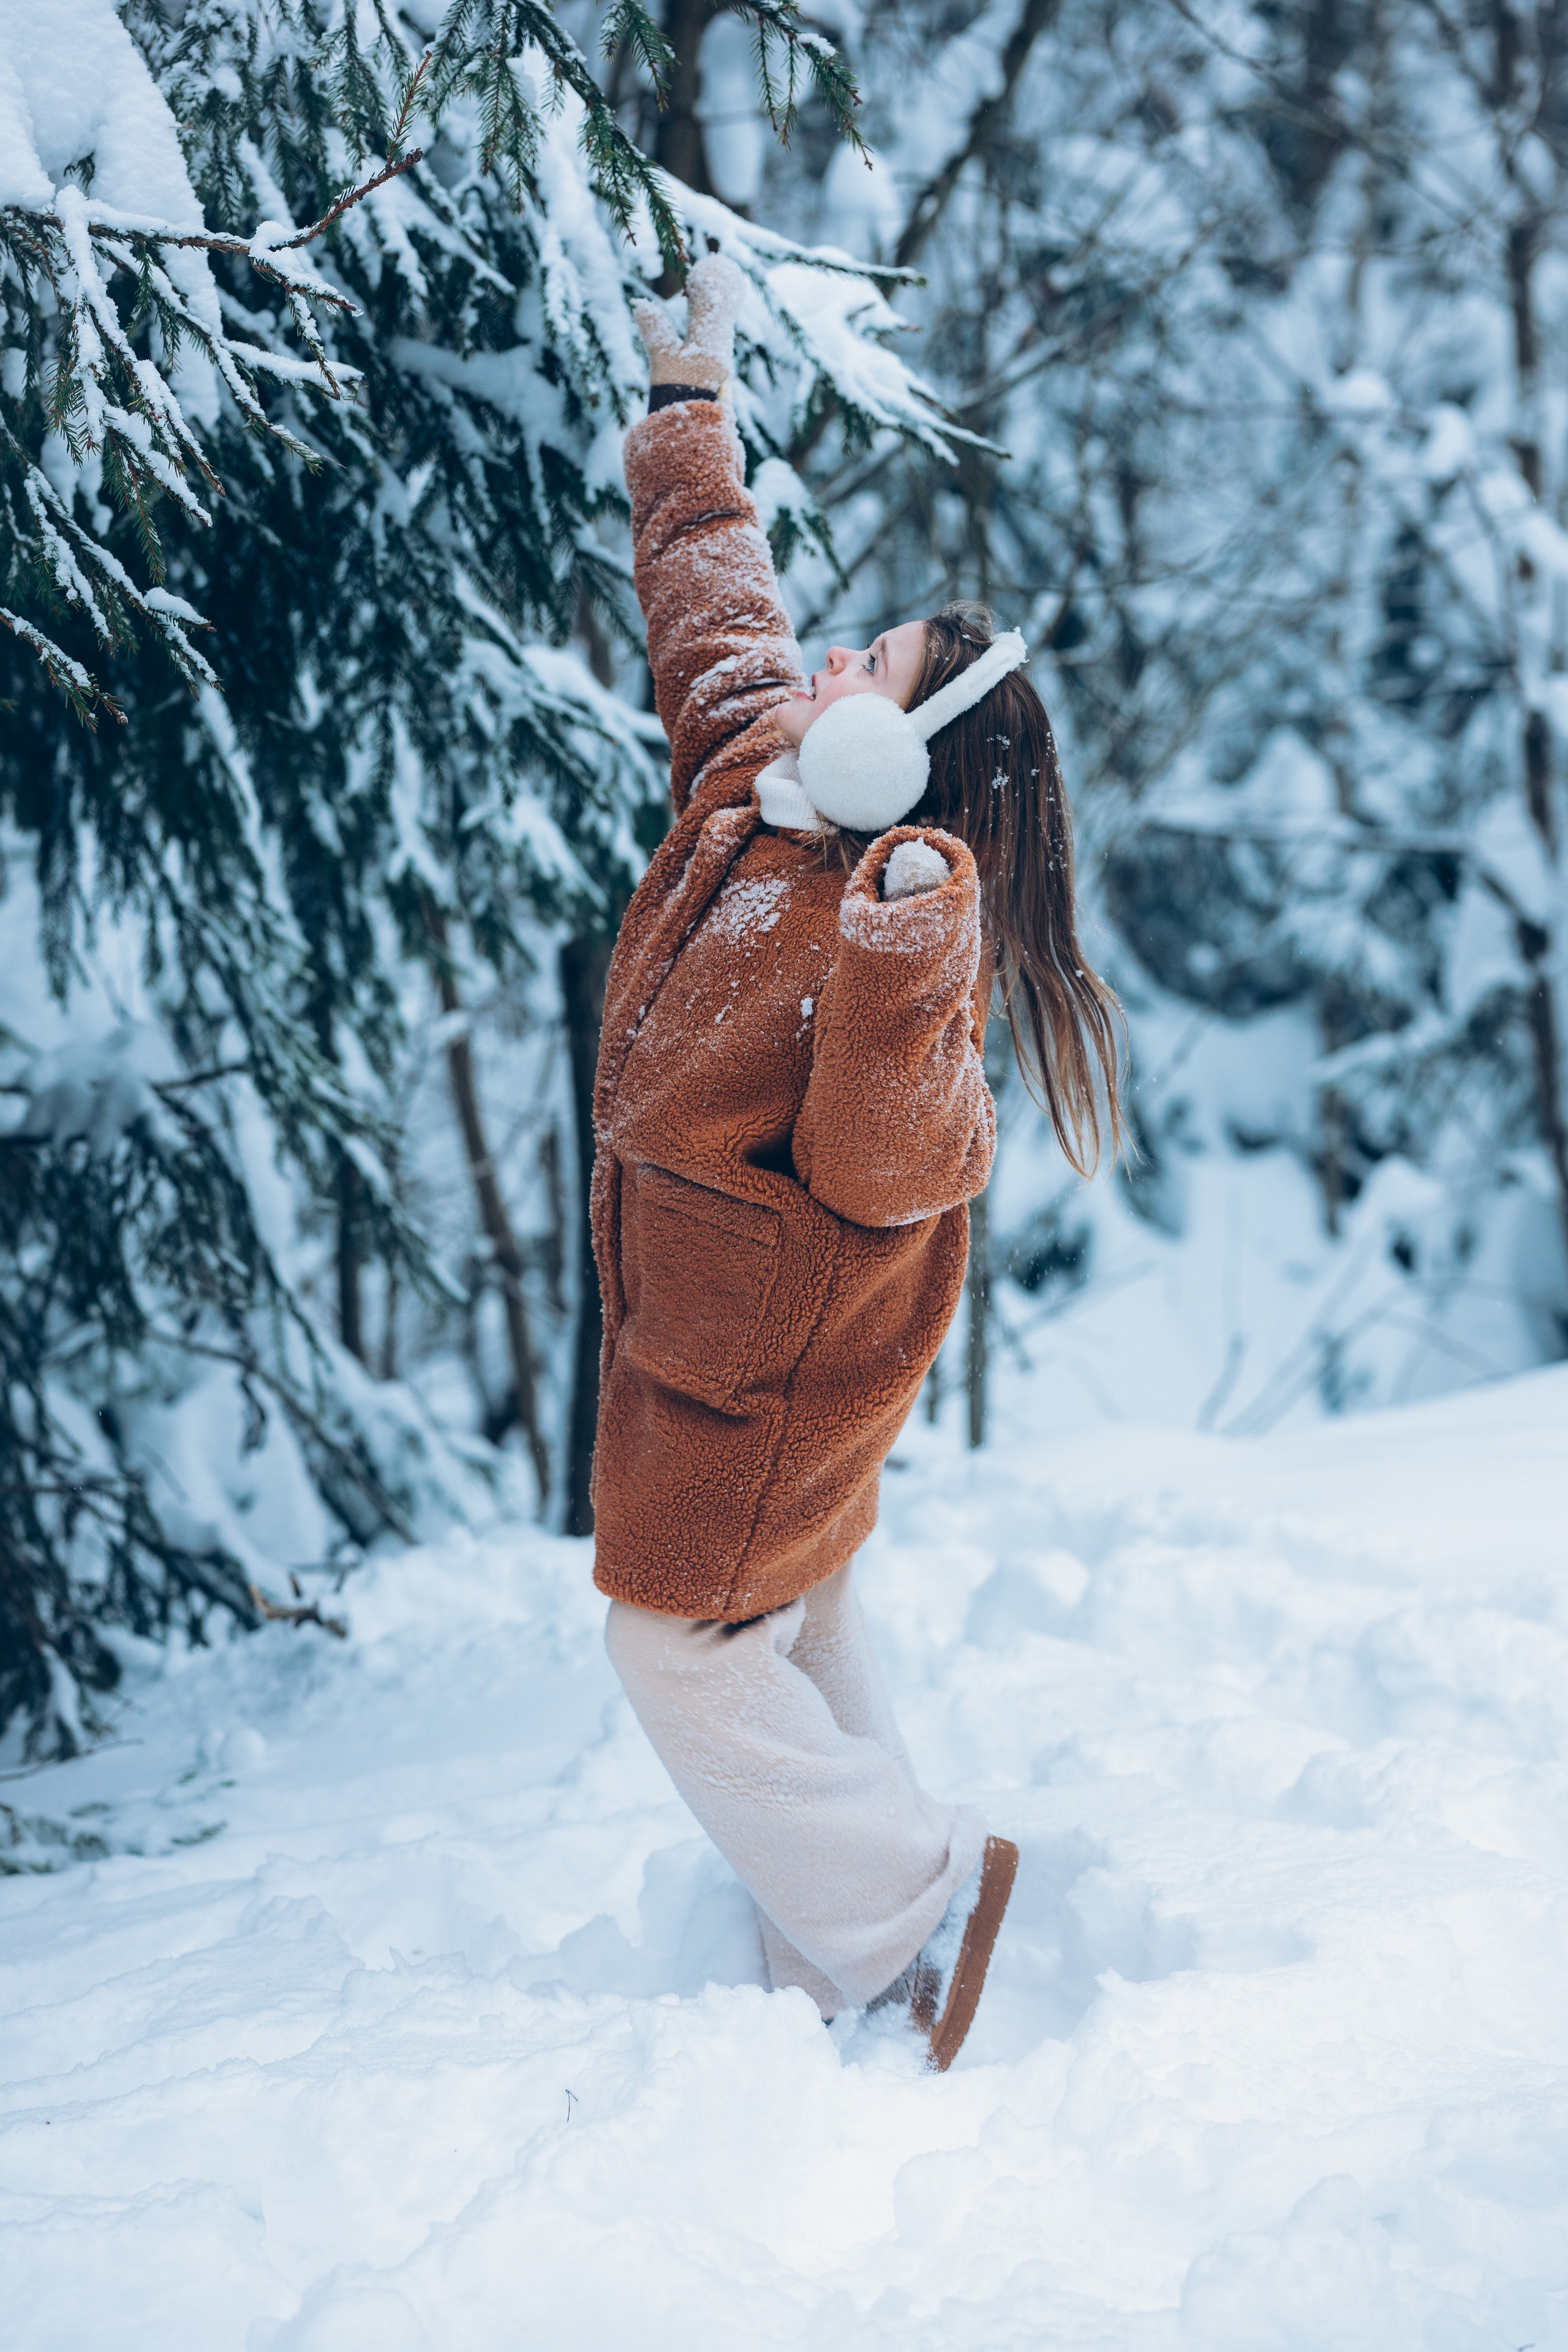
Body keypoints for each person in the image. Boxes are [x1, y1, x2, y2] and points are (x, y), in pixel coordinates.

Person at [590, 256, 1122, 2070]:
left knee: (674, 1648)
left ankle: (919, 1906)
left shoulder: (901, 922)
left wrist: (907, 952)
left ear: (905, 750)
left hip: (771, 1381)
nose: (828, 658)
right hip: (726, 1350)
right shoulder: (763, 781)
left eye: (871, 666)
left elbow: (905, 1166)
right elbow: (720, 623)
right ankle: (849, 1960)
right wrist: (686, 414)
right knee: (796, 1630)